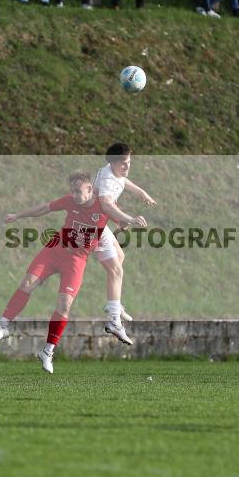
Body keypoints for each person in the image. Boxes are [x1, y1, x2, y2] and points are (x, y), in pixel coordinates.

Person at [0, 172, 115, 375]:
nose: (73, 194)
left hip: (77, 259)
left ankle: (47, 352)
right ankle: (3, 326)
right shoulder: (69, 200)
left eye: (78, 191)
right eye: (72, 190)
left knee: (64, 306)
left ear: (90, 189)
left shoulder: (104, 205)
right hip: (55, 249)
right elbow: (44, 208)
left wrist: (129, 220)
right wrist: (18, 215)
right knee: (27, 282)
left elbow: (120, 216)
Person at [88, 143, 154, 345]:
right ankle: (115, 322)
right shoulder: (108, 179)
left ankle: (113, 305)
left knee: (120, 257)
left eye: (129, 162)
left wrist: (141, 192)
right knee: (116, 270)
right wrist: (129, 218)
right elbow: (107, 204)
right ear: (113, 163)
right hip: (90, 227)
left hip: (98, 222)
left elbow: (124, 181)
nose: (127, 167)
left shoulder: (113, 172)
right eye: (123, 163)